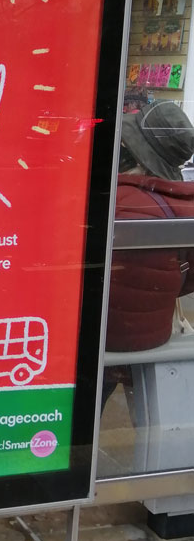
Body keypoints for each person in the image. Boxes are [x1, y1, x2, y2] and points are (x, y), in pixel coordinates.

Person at [106, 101, 194, 361]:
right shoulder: (183, 207)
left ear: (131, 154)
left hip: (98, 339)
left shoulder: (113, 203)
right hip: (155, 338)